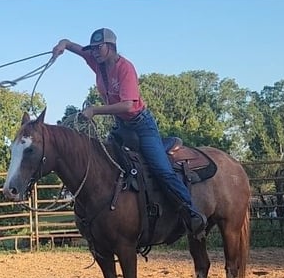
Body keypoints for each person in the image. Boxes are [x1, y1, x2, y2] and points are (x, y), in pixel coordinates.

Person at [51, 27, 207, 237]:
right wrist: (62, 45)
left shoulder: (125, 68)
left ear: (111, 47)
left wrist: (95, 110)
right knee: (105, 164)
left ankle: (191, 212)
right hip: (122, 127)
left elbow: (127, 105)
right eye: (93, 48)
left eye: (99, 47)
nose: (95, 51)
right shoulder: (97, 62)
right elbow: (71, 45)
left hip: (141, 125)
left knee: (161, 169)